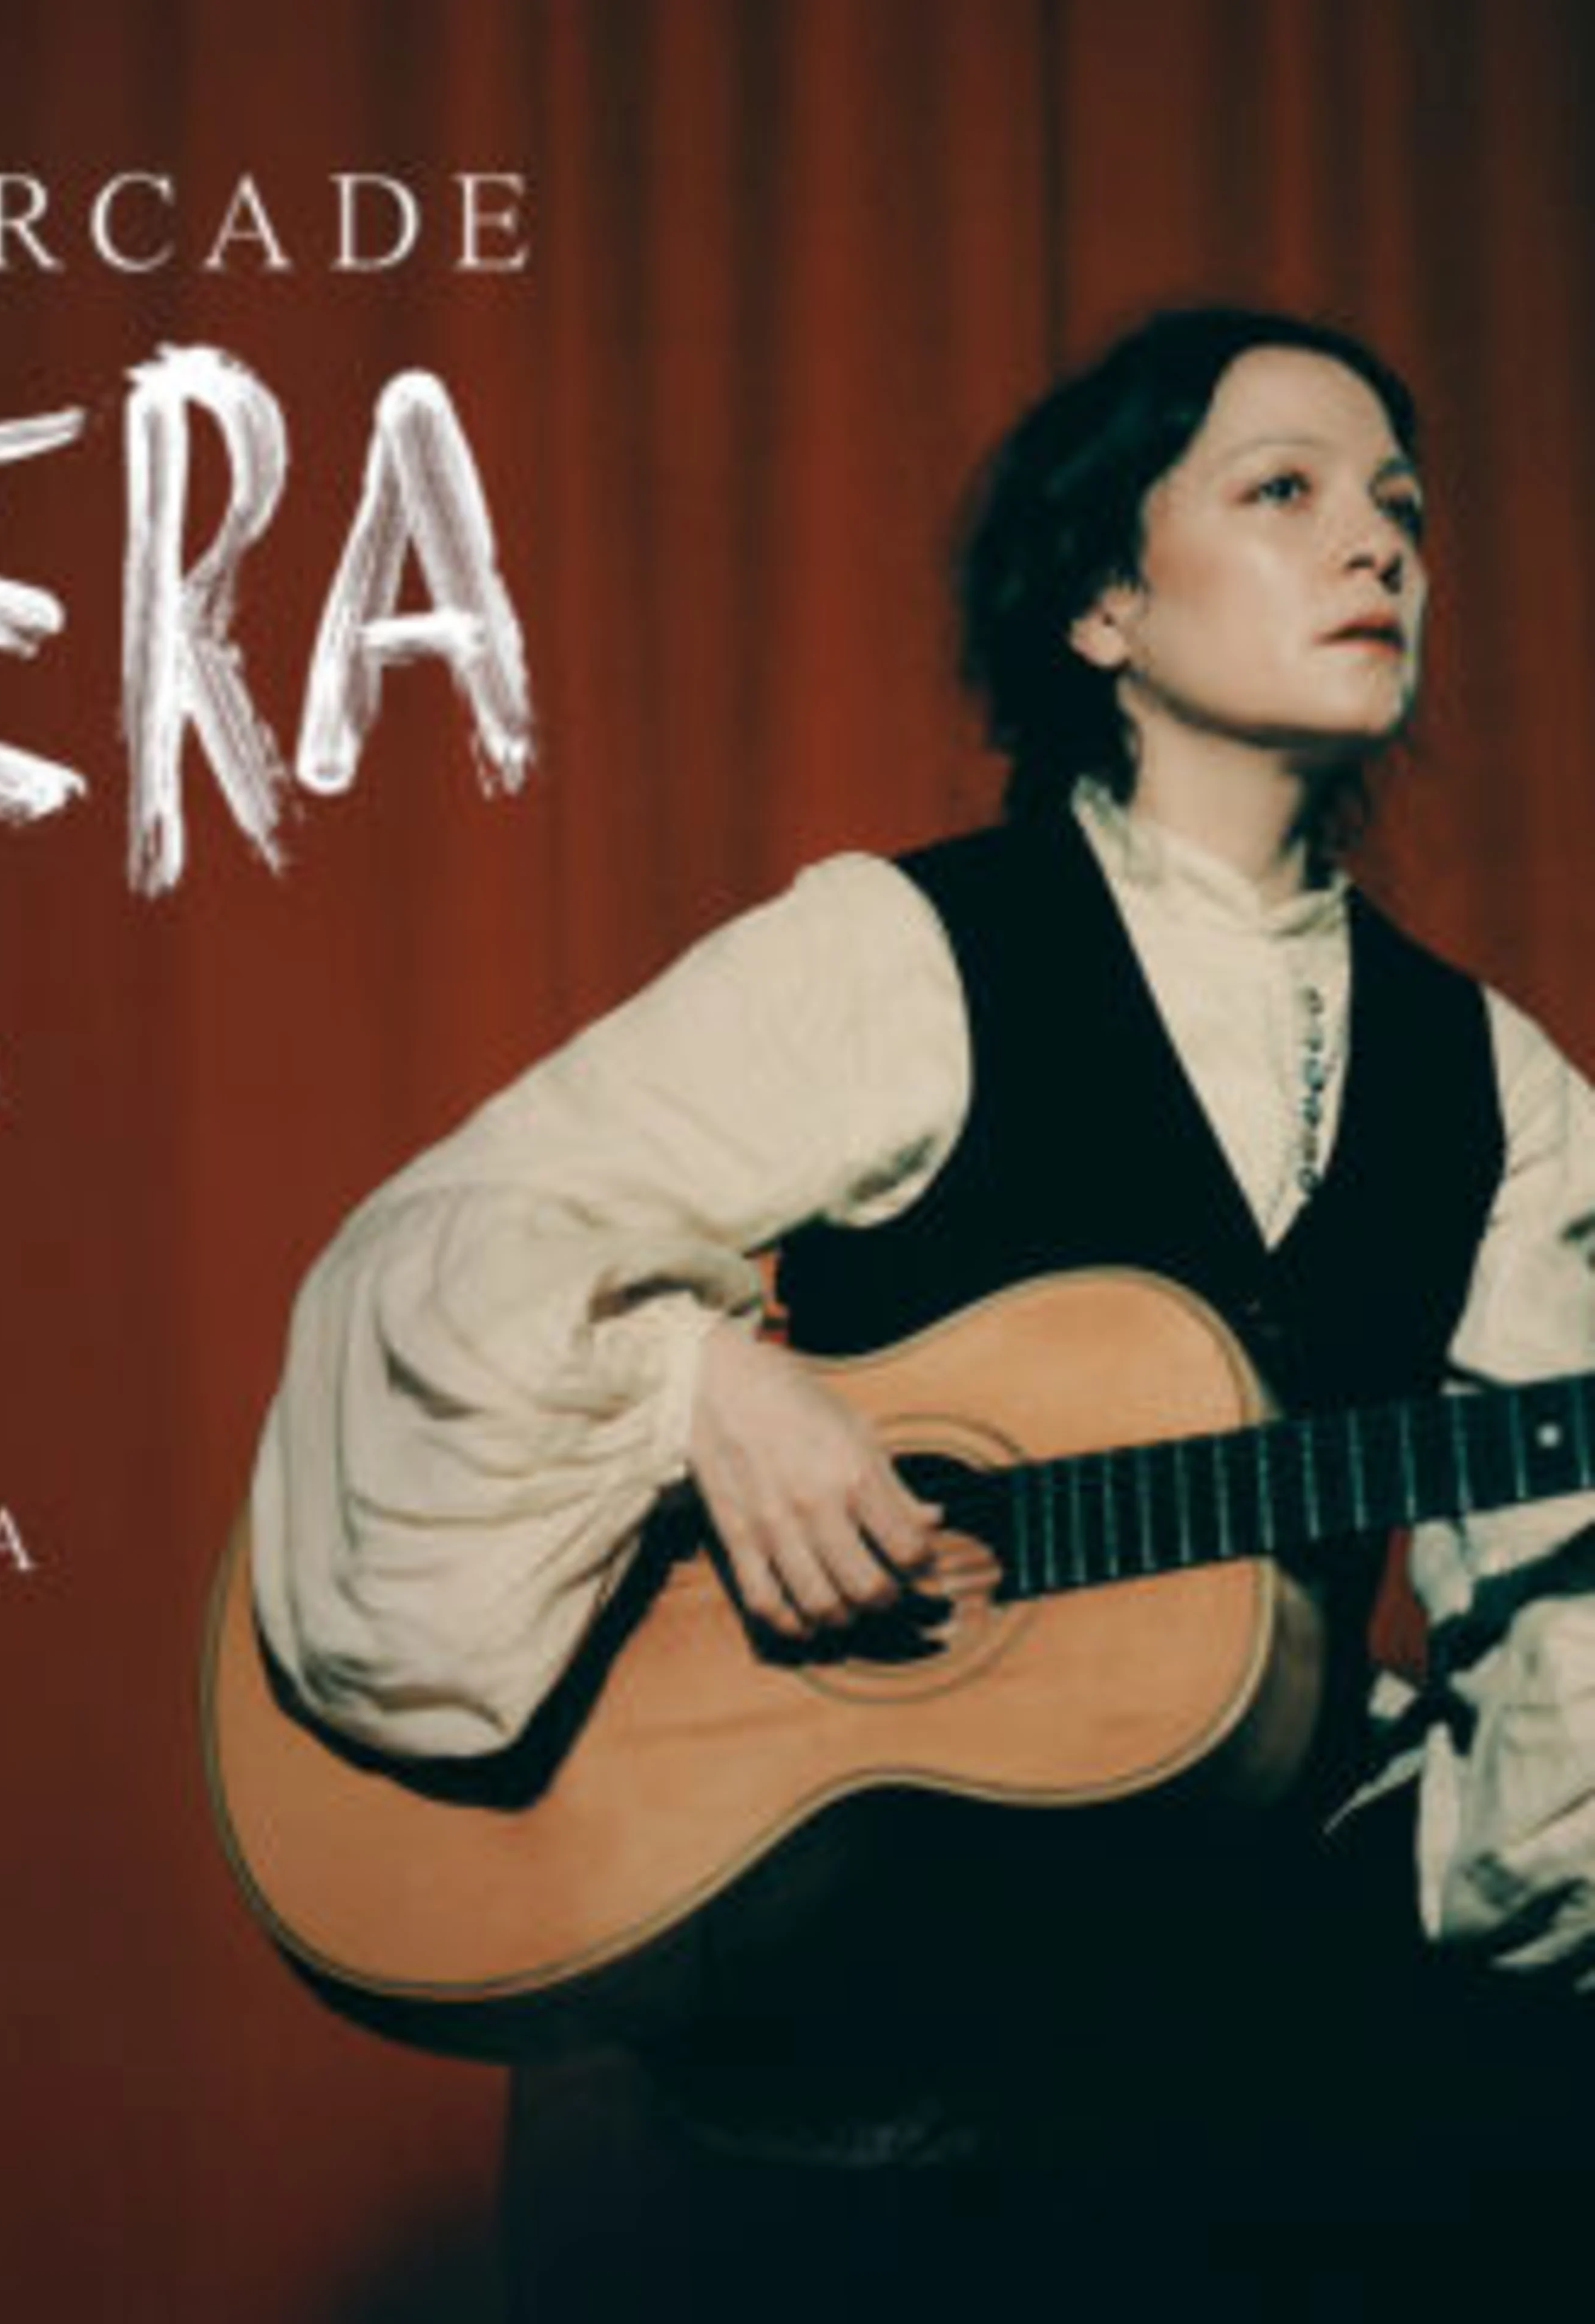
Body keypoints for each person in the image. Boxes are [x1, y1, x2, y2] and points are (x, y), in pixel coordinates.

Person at [247, 308, 1595, 2317]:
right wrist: (698, 1386)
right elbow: (443, 1254)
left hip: (1255, 2088)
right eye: (1285, 492)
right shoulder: (903, 953)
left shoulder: (1505, 1086)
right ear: (1106, 609)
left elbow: (1555, 1631)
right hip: (829, 2103)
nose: (1379, 546)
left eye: (1399, 505)